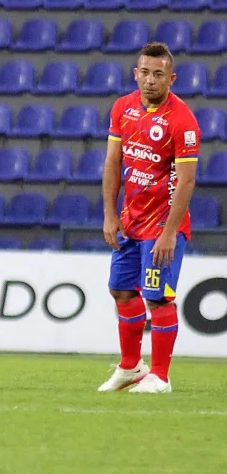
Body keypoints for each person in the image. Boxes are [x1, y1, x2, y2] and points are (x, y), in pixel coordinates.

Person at [98, 42, 200, 394]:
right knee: (121, 290)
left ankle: (160, 377)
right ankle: (130, 367)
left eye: (159, 74)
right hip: (131, 220)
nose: (151, 80)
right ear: (135, 74)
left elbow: (187, 180)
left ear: (171, 78)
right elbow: (113, 163)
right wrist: (110, 215)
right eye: (145, 72)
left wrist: (170, 233)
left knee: (157, 297)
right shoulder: (123, 108)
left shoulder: (182, 120)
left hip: (162, 226)